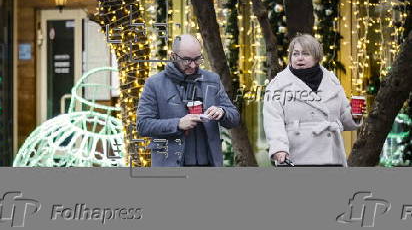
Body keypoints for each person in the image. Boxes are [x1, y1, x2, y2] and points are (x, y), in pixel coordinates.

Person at [137, 34, 240, 167]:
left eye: (197, 59)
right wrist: (178, 124)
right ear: (173, 56)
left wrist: (222, 112)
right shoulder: (154, 84)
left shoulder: (212, 79)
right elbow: (143, 125)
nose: (192, 65)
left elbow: (235, 118)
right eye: (186, 60)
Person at [263, 34, 364, 167]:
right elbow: (273, 120)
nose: (299, 58)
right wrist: (279, 148)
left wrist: (354, 116)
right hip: (297, 157)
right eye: (295, 54)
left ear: (316, 57)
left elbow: (343, 118)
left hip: (332, 157)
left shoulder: (332, 81)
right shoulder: (278, 84)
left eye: (305, 54)